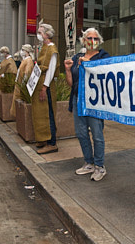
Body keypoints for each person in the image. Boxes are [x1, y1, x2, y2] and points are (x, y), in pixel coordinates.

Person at [64, 28, 109, 181]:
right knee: (81, 133)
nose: (92, 41)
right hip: (78, 99)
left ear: (99, 41)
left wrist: (89, 64)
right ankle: (88, 162)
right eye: (89, 38)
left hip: (95, 102)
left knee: (97, 133)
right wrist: (68, 71)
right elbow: (72, 83)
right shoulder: (77, 57)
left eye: (95, 39)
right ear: (83, 40)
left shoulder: (103, 56)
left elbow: (105, 73)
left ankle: (99, 165)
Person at [32, 22, 60, 154]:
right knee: (41, 113)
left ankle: (52, 142)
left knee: (48, 113)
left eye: (40, 32)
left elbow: (50, 70)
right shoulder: (43, 48)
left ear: (47, 34)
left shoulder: (52, 49)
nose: (39, 35)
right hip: (40, 84)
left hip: (46, 86)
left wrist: (44, 88)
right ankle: (43, 139)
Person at [10, 44, 35, 117]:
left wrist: (23, 84)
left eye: (23, 50)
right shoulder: (25, 60)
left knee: (19, 99)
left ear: (27, 51)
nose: (21, 52)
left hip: (21, 85)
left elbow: (27, 73)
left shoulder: (29, 61)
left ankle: (19, 115)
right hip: (19, 83)